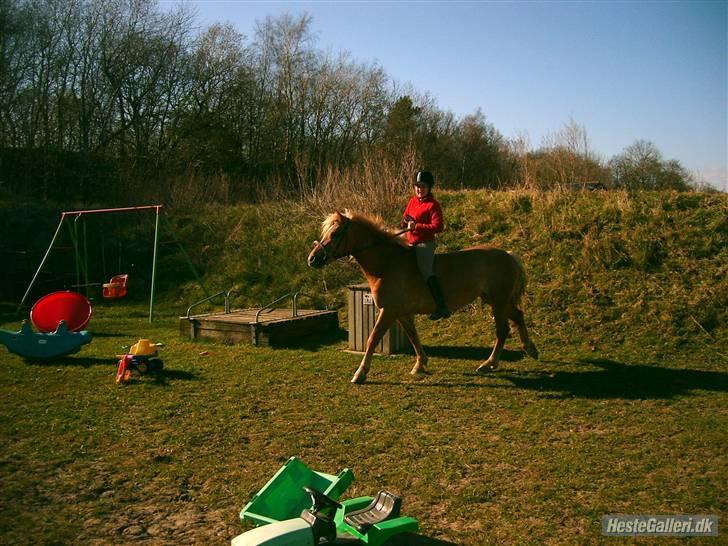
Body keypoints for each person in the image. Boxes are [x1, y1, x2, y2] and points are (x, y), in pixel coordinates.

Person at [401, 170, 451, 320]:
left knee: (425, 271)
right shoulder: (412, 201)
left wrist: (417, 226)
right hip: (410, 241)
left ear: (429, 188)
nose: (419, 189)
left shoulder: (433, 205)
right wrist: (405, 222)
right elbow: (405, 218)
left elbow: (438, 227)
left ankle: (441, 306)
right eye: (417, 186)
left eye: (422, 186)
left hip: (425, 244)